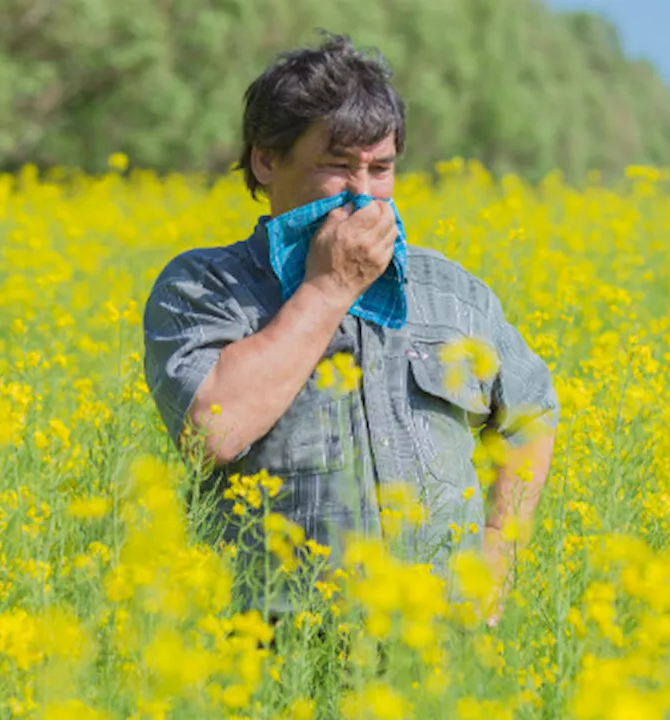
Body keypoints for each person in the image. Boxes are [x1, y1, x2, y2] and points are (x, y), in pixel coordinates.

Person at [141, 32, 559, 622]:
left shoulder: (451, 292)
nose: (363, 194)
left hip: (434, 650)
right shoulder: (206, 288)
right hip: (273, 649)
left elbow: (532, 414)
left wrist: (498, 546)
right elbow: (213, 432)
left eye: (380, 168)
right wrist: (329, 286)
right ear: (266, 159)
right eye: (337, 166)